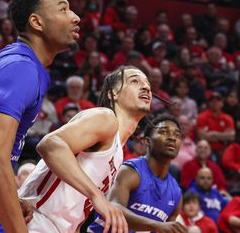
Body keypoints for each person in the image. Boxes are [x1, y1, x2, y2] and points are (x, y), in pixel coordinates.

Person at [0, 0, 80, 233]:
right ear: (37, 22)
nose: (75, 17)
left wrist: (11, 198)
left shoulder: (23, 63)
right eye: (63, 10)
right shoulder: (22, 67)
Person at [18, 66, 152, 233]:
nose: (146, 87)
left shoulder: (118, 153)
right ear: (113, 93)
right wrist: (96, 195)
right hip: (36, 219)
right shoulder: (106, 118)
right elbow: (50, 144)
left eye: (148, 84)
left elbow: (78, 209)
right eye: (135, 81)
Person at [87, 114, 185, 232]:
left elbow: (167, 229)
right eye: (164, 132)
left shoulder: (176, 194)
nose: (172, 138)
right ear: (147, 141)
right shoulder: (130, 172)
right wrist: (156, 225)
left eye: (177, 135)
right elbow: (113, 207)